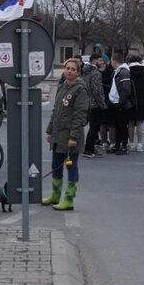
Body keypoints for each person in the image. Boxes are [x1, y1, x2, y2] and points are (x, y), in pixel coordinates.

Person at [43, 59, 90, 210]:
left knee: (71, 166)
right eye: (67, 68)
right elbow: (56, 110)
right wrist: (50, 130)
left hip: (70, 136)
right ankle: (55, 195)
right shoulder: (63, 86)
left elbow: (80, 115)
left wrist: (74, 137)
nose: (69, 71)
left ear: (78, 72)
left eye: (73, 69)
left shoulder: (80, 89)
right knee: (56, 165)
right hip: (58, 135)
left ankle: (69, 198)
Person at [81, 53, 107, 158]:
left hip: (87, 102)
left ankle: (89, 148)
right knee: (94, 128)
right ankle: (89, 149)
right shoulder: (96, 73)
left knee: (92, 127)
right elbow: (97, 90)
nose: (102, 62)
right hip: (95, 104)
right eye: (100, 60)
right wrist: (103, 104)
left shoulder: (85, 71)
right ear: (95, 61)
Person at [107, 53, 133, 154]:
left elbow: (126, 89)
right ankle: (117, 145)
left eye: (111, 61)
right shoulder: (118, 71)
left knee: (122, 126)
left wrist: (121, 103)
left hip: (121, 104)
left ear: (114, 61)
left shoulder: (123, 72)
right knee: (117, 125)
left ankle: (123, 146)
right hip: (115, 102)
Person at [127, 54, 144, 152]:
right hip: (142, 99)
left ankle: (131, 143)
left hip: (131, 99)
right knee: (140, 122)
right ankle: (139, 144)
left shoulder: (128, 71)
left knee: (130, 122)